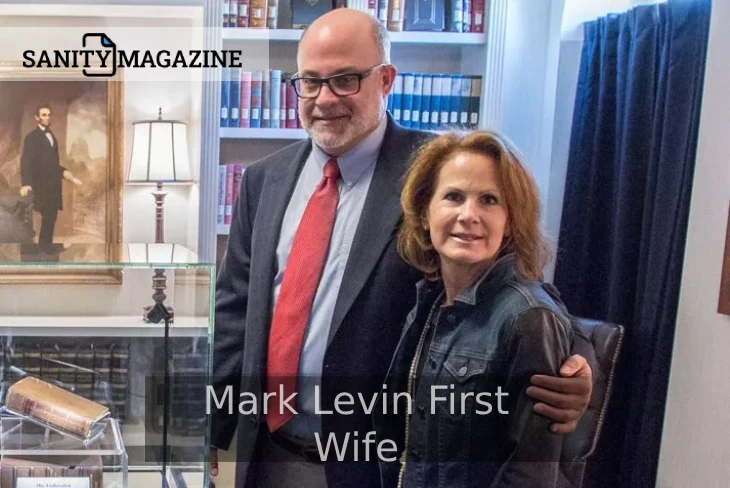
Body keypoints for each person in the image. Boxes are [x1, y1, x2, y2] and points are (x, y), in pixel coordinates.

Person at [211, 8, 593, 488]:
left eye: (345, 79)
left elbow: (516, 283)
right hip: (266, 457)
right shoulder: (262, 180)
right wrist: (211, 428)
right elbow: (235, 312)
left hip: (374, 465)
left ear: (385, 79)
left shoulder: (436, 177)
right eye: (310, 82)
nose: (324, 99)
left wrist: (578, 366)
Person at [374, 130, 575, 488]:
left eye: (489, 200)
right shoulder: (430, 303)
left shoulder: (528, 318)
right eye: (453, 196)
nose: (469, 215)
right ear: (424, 213)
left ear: (510, 220)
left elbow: (530, 475)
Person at [19, 104, 81, 252]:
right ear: (37, 118)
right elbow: (26, 161)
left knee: (51, 216)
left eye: (48, 115)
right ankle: (45, 247)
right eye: (44, 115)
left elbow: (52, 164)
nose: (47, 117)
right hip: (40, 184)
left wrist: (65, 172)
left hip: (53, 184)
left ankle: (46, 246)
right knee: (47, 215)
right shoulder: (32, 137)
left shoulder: (51, 135)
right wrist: (26, 183)